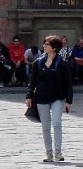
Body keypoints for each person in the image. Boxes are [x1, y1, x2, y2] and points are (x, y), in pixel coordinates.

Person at [26, 34, 73, 162]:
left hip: (57, 97)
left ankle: (58, 152)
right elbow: (32, 81)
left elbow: (68, 83)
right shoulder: (38, 62)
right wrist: (29, 95)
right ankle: (49, 153)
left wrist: (69, 101)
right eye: (44, 44)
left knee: (57, 123)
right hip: (41, 97)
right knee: (45, 126)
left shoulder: (62, 63)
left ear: (54, 48)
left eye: (47, 44)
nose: (44, 46)